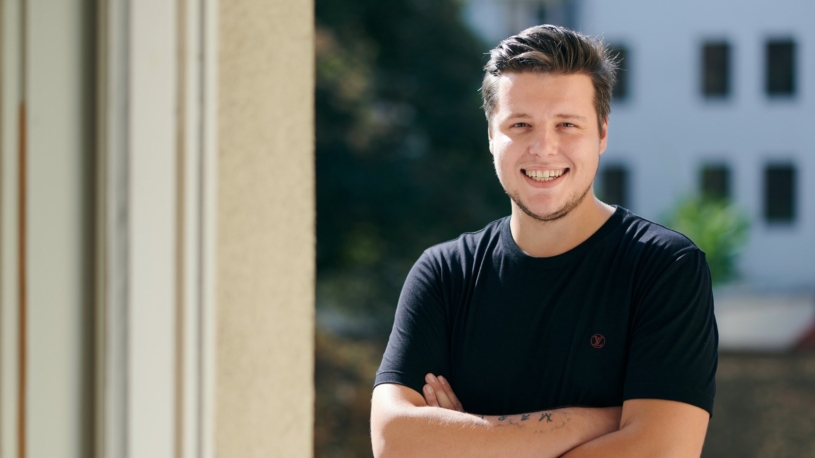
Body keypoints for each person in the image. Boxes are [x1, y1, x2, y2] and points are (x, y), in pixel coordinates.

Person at [370, 24, 718, 457]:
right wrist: (587, 422)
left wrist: (463, 440)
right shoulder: (445, 274)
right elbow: (393, 440)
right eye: (520, 124)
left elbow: (661, 451)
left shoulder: (664, 268)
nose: (544, 148)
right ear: (491, 135)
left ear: (602, 133)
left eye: (567, 124)